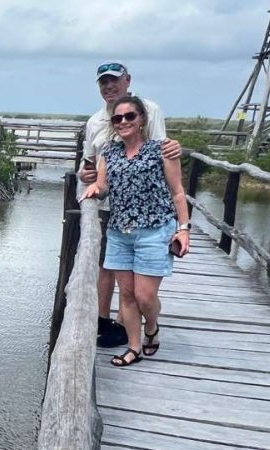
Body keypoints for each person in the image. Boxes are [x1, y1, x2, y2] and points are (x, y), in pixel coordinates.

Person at [80, 96, 191, 366]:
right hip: (120, 231)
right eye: (117, 118)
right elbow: (104, 186)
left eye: (130, 116)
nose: (123, 122)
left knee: (144, 295)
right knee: (127, 294)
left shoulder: (162, 149)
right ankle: (134, 347)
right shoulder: (108, 151)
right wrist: (95, 189)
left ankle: (151, 326)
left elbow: (177, 193)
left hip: (155, 230)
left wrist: (184, 228)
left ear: (142, 118)